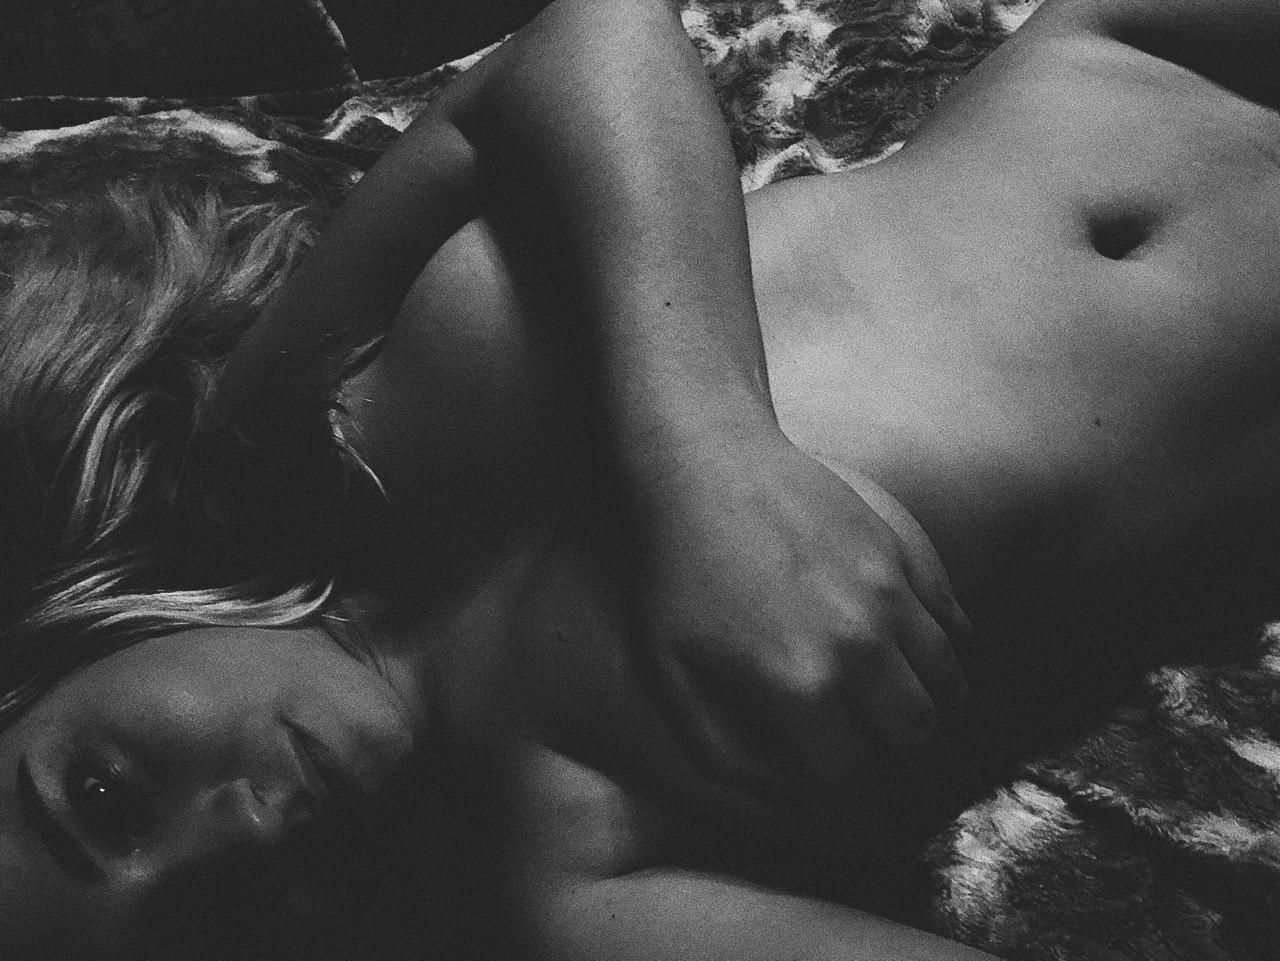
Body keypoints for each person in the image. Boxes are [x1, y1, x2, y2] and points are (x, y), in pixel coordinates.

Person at [2, 0, 1279, 955]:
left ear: (42, 669)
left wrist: (709, 456)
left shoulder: (270, 429)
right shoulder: (565, 887)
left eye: (104, 797)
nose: (234, 838)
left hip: (1155, 50)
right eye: (202, 939)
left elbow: (578, 43)